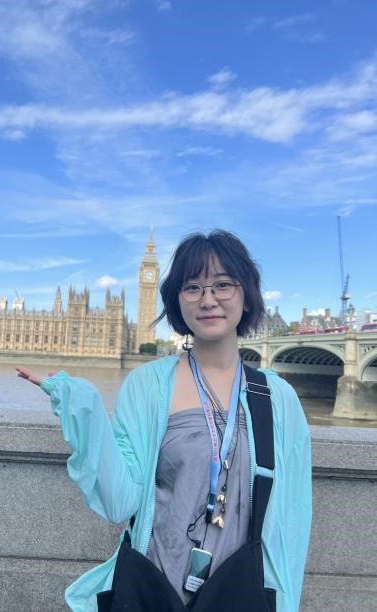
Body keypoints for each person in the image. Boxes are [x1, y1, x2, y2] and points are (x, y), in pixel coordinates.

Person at [16, 229, 312, 612]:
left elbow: (291, 521)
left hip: (240, 594)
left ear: (247, 295)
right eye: (193, 287)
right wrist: (80, 405)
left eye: (223, 285)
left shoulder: (278, 399)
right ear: (176, 299)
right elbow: (120, 501)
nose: (208, 299)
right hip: (154, 590)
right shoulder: (147, 385)